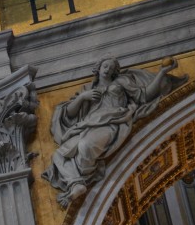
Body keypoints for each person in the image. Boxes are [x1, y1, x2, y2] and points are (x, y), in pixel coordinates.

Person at [44, 57, 186, 207]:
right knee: (58, 155)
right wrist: (81, 98)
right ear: (98, 68)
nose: (107, 69)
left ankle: (83, 174)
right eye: (105, 66)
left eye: (112, 68)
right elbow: (70, 114)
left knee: (86, 146)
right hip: (88, 125)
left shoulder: (121, 82)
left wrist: (162, 73)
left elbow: (144, 95)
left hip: (111, 122)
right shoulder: (87, 89)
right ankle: (76, 183)